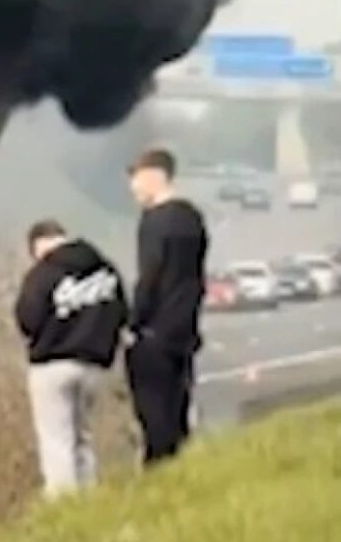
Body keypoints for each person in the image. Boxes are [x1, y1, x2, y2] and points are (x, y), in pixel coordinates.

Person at [14, 220, 129, 497]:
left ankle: (63, 500)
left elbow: (27, 319)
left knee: (56, 439)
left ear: (37, 247)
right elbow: (122, 311)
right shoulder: (104, 268)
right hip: (94, 364)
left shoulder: (42, 274)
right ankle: (87, 495)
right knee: (82, 436)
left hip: (52, 365)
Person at [125, 148, 209, 464]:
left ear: (153, 176)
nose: (134, 190)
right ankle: (182, 466)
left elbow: (150, 275)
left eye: (135, 181)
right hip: (184, 328)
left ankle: (159, 470)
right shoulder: (192, 218)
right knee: (178, 406)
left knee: (153, 413)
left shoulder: (154, 222)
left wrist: (134, 322)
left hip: (154, 332)